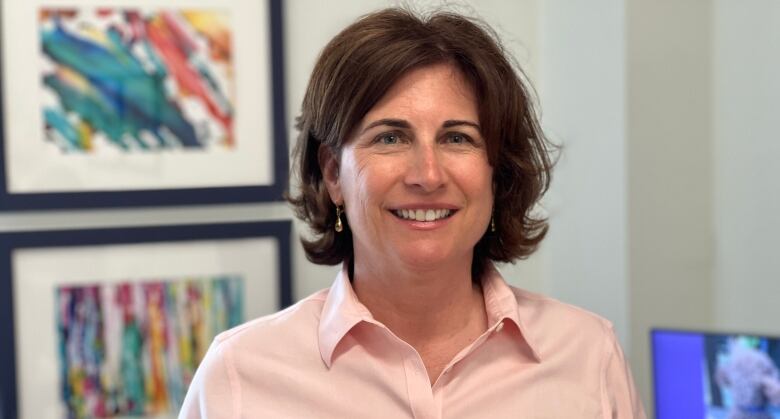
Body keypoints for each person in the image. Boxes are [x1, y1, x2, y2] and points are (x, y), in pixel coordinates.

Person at [180, 7, 646, 418]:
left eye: (457, 138)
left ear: (496, 170)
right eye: (390, 137)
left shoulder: (588, 356)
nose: (428, 174)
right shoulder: (239, 375)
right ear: (332, 174)